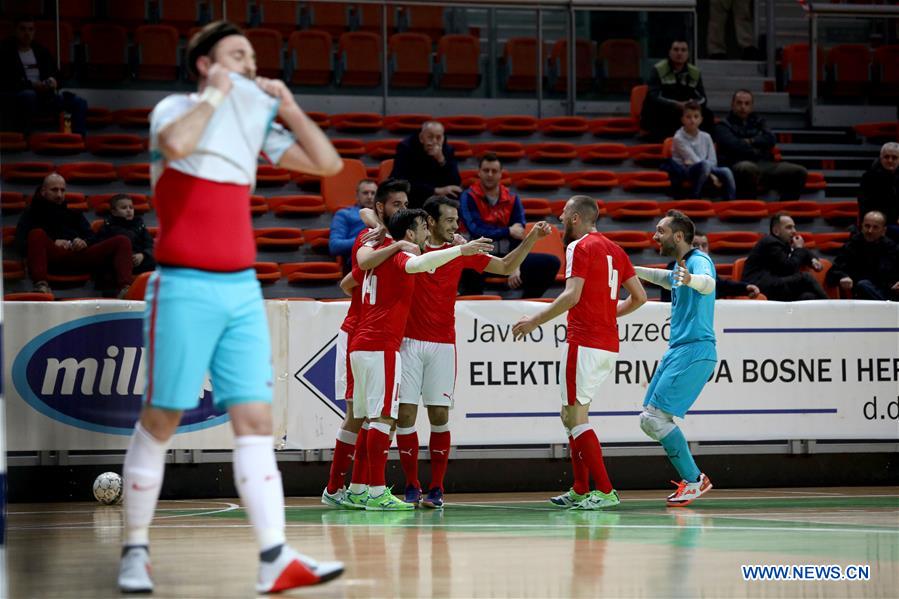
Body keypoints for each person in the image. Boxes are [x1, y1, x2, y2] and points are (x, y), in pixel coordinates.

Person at [117, 21, 345, 594]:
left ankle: (275, 557)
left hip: (241, 288)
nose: (249, 65)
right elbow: (177, 146)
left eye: (252, 58)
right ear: (204, 63)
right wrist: (220, 91)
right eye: (236, 55)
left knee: (256, 423)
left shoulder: (253, 121)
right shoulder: (174, 108)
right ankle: (135, 551)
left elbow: (327, 164)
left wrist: (288, 106)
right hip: (183, 285)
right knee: (162, 417)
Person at [395, 197, 552, 508]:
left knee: (439, 416)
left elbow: (506, 266)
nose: (456, 226)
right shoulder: (409, 249)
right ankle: (411, 485)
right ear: (429, 221)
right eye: (450, 220)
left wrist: (532, 237)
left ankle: (436, 488)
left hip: (443, 344)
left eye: (457, 220)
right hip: (409, 342)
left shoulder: (462, 252)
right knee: (405, 417)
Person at [348, 207, 493, 511]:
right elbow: (422, 263)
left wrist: (387, 233)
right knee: (383, 419)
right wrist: (460, 250)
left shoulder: (373, 248)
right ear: (411, 233)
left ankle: (357, 489)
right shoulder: (400, 256)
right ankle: (376, 493)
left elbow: (358, 260)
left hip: (361, 343)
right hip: (383, 345)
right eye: (422, 228)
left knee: (368, 419)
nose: (428, 232)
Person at [513, 196, 647, 510]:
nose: (560, 221)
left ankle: (605, 490)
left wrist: (535, 320)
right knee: (571, 415)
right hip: (607, 344)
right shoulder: (615, 248)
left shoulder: (580, 247)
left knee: (574, 416)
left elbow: (572, 295)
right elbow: (639, 297)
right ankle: (580, 487)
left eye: (563, 216)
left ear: (575, 217)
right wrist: (608, 314)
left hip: (584, 341)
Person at [321, 179, 418, 509]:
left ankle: (356, 487)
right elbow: (353, 275)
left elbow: (349, 282)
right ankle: (344, 487)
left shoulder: (384, 237)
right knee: (361, 414)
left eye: (406, 205)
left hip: (367, 332)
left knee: (363, 414)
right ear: (382, 208)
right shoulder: (376, 239)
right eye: (396, 205)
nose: (401, 210)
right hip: (362, 333)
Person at [633, 210, 717, 507]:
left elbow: (706, 283)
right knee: (649, 418)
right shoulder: (681, 266)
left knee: (655, 419)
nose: (655, 236)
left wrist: (692, 278)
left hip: (695, 350)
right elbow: (667, 279)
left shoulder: (698, 261)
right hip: (678, 350)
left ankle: (695, 481)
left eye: (661, 231)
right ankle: (692, 479)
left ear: (678, 236)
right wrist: (630, 270)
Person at [459, 153, 561, 298]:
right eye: (486, 170)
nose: (490, 174)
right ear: (479, 172)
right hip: (480, 255)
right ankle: (474, 307)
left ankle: (526, 303)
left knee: (550, 263)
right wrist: (507, 231)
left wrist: (515, 265)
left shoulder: (512, 199)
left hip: (509, 254)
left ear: (501, 174)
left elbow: (518, 234)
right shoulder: (468, 197)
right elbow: (475, 230)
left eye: (494, 171)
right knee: (467, 266)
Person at [15, 173, 133, 296]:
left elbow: (93, 237)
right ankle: (41, 285)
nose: (59, 194)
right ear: (43, 191)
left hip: (79, 255)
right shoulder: (30, 214)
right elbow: (20, 244)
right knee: (36, 233)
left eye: (62, 190)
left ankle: (126, 289)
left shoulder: (74, 214)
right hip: (52, 258)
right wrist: (53, 242)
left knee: (122, 240)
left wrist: (84, 242)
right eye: (54, 190)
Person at [0, 15, 87, 135]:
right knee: (28, 95)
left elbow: (57, 75)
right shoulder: (5, 51)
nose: (27, 33)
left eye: (30, 29)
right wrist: (33, 85)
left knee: (79, 102)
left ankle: (79, 137)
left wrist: (53, 81)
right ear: (15, 30)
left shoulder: (40, 50)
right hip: (18, 97)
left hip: (44, 97)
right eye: (23, 29)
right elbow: (5, 82)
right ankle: (26, 136)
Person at [716, 90, 808, 200]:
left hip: (764, 163)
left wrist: (750, 141)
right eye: (739, 103)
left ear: (751, 106)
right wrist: (757, 147)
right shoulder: (723, 125)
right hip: (736, 163)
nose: (743, 107)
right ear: (732, 105)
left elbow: (771, 139)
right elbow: (733, 145)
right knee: (747, 168)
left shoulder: (759, 122)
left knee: (799, 171)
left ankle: (784, 210)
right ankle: (750, 209)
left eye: (747, 103)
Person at [742, 213, 828, 301]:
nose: (794, 231)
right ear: (776, 231)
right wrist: (798, 248)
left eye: (794, 227)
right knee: (805, 277)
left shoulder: (784, 243)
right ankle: (829, 305)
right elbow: (788, 268)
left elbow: (804, 251)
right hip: (759, 286)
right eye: (789, 227)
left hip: (775, 284)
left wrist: (813, 260)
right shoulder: (771, 243)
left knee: (808, 297)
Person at [641, 39, 713, 141]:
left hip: (685, 110)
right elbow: (653, 96)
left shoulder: (695, 72)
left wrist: (690, 104)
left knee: (708, 114)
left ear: (688, 54)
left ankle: (705, 143)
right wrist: (676, 104)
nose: (679, 53)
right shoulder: (658, 69)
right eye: (676, 49)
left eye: (683, 50)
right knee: (653, 107)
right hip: (665, 108)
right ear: (670, 52)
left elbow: (703, 99)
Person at [660, 231, 759, 300]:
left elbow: (721, 285)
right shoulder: (674, 267)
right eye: (695, 245)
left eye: (704, 245)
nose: (700, 249)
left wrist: (745, 287)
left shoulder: (706, 269)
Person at [667, 101, 735, 199]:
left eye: (696, 116)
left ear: (701, 119)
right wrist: (712, 176)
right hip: (685, 171)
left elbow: (713, 160)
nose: (692, 120)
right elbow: (694, 160)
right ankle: (695, 195)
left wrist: (710, 171)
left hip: (706, 168)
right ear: (682, 119)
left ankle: (730, 200)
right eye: (688, 117)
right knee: (705, 164)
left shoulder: (706, 136)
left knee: (726, 170)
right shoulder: (678, 138)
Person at [825, 211, 899, 301]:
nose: (870, 231)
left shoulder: (891, 247)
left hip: (887, 292)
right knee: (863, 285)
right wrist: (843, 276)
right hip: (860, 295)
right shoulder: (852, 245)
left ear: (883, 231)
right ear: (861, 226)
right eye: (867, 226)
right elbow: (832, 273)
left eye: (875, 227)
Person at [390, 120, 462, 208]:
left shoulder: (447, 150)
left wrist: (441, 159)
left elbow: (455, 182)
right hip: (413, 197)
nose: (434, 141)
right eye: (430, 137)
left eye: (438, 137)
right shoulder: (406, 148)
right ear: (421, 137)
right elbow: (401, 181)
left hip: (438, 199)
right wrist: (435, 190)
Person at [95, 194, 157, 275]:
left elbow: (149, 245)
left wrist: (143, 255)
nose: (129, 210)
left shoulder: (139, 225)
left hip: (139, 260)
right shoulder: (107, 227)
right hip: (118, 264)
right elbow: (102, 249)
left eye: (131, 207)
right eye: (124, 208)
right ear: (114, 212)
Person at [329, 178, 378, 265]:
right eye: (365, 193)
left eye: (373, 193)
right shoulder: (344, 214)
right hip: (357, 262)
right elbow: (335, 245)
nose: (370, 196)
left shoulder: (385, 215)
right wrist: (365, 238)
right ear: (357, 196)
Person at [858, 142, 899, 241]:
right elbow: (866, 206)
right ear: (881, 158)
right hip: (878, 222)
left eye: (894, 158)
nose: (890, 160)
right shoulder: (869, 177)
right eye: (886, 157)